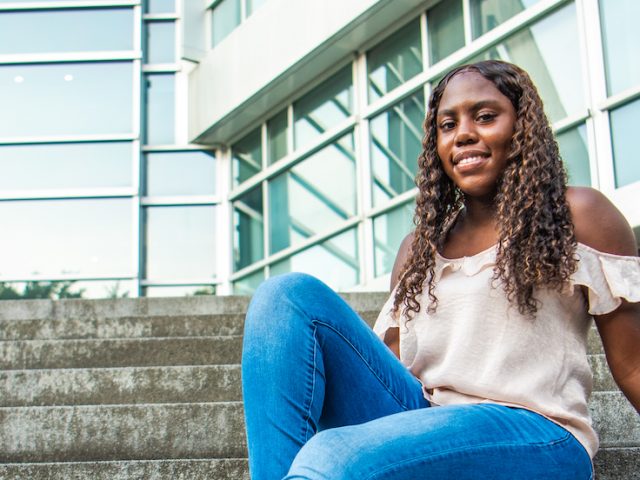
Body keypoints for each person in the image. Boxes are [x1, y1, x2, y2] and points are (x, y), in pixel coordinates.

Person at [241, 60, 640, 479]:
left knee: (333, 453)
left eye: (485, 117)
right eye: (447, 125)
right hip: (426, 424)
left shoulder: (578, 214)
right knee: (284, 296)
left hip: (537, 433)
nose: (464, 133)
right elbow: (388, 372)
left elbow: (632, 365)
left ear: (523, 127)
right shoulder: (418, 250)